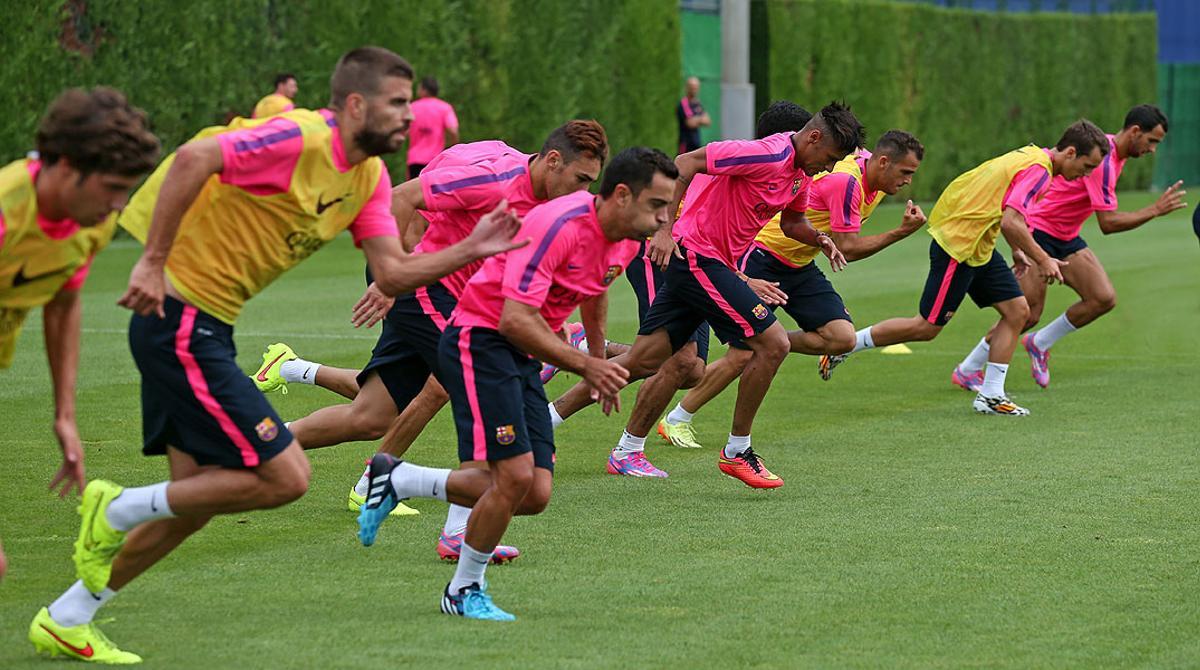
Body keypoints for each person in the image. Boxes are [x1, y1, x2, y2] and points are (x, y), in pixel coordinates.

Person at [29, 46, 524, 664]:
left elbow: (393, 272)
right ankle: (120, 505)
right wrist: (153, 261)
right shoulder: (300, 137)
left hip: (206, 328)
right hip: (178, 321)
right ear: (354, 104)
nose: (408, 117)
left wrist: (471, 245)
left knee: (197, 498)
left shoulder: (366, 177)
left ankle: (69, 615)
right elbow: (194, 157)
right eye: (397, 103)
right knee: (285, 476)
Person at [253, 121, 609, 562]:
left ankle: (255, 445)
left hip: (454, 297)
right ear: (553, 161)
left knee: (370, 416)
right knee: (481, 391)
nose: (582, 192)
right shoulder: (495, 180)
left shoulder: (538, 191)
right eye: (580, 180)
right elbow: (400, 196)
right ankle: (455, 530)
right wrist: (392, 274)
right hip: (424, 287)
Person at [355, 146, 678, 621]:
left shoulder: (625, 241)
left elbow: (594, 292)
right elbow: (513, 320)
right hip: (481, 341)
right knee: (509, 478)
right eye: (657, 206)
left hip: (519, 352)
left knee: (535, 493)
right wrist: (589, 368)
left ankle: (399, 478)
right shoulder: (558, 225)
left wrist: (594, 355)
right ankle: (463, 589)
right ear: (623, 196)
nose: (663, 220)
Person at [548, 101, 862, 487]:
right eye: (829, 158)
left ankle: (545, 423)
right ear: (813, 138)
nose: (829, 168)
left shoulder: (799, 174)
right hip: (696, 256)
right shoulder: (764, 153)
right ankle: (737, 452)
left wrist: (820, 238)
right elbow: (685, 161)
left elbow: (792, 221)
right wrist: (665, 229)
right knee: (772, 343)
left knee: (651, 362)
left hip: (710, 263)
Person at [820, 120, 1109, 416]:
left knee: (1018, 311)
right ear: (1071, 152)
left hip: (979, 246)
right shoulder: (1040, 171)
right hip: (958, 246)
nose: (1085, 175)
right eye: (1087, 166)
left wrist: (1019, 251)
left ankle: (991, 395)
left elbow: (1006, 210)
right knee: (926, 328)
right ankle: (848, 344)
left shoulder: (1032, 156)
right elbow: (1012, 220)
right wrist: (1043, 258)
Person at [660, 131, 926, 448]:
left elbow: (853, 146)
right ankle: (677, 418)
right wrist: (900, 232)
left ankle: (768, 339)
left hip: (800, 262)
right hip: (763, 256)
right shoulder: (848, 183)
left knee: (841, 338)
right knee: (743, 354)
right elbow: (850, 249)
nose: (908, 181)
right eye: (905, 172)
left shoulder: (875, 176)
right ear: (883, 162)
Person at [1, 88, 158, 599]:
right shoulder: (7, 213)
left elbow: (63, 304)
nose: (117, 206)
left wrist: (64, 413)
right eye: (111, 188)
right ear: (66, 166)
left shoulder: (89, 226)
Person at [954, 105, 1184, 389]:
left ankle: (1040, 343)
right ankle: (969, 368)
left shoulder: (1109, 152)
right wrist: (1155, 210)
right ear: (1136, 131)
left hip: (1065, 235)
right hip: (1037, 230)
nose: (1152, 149)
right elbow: (1108, 223)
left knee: (1102, 297)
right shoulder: (1105, 161)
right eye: (1152, 141)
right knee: (1026, 313)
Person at [406, 76, 459, 179]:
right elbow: (453, 131)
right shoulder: (445, 108)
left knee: (412, 193)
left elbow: (403, 130)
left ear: (424, 90)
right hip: (435, 160)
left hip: (415, 159)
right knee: (432, 193)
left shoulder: (412, 107)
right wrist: (452, 149)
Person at [676, 76, 711, 155]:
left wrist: (696, 119)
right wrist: (701, 119)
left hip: (696, 144)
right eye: (692, 87)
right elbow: (690, 123)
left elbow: (708, 121)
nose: (694, 90)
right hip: (685, 144)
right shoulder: (684, 103)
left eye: (696, 87)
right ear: (687, 88)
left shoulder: (697, 103)